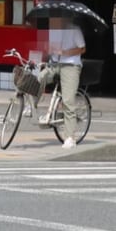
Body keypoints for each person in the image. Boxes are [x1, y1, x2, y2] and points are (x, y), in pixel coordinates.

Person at [43, 15, 86, 149]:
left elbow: (82, 48)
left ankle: (70, 138)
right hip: (55, 63)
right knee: (40, 77)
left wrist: (65, 52)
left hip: (71, 66)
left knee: (68, 101)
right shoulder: (54, 31)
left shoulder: (75, 29)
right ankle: (30, 104)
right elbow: (50, 49)